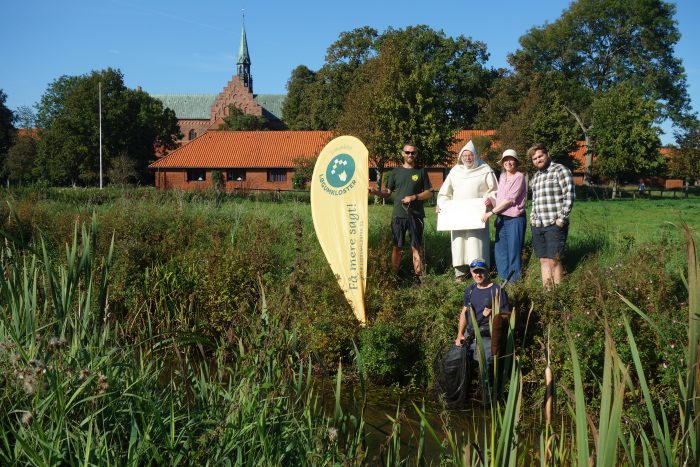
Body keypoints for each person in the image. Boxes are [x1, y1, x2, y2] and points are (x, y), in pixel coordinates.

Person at [369, 143, 432, 285]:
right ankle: (394, 277)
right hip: (398, 215)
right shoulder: (395, 172)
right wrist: (375, 192)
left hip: (415, 215)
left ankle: (418, 278)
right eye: (407, 152)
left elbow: (428, 192)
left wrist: (414, 197)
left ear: (416, 154)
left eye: (413, 153)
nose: (410, 155)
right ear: (402, 153)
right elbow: (387, 193)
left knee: (416, 247)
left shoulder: (421, 171)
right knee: (397, 247)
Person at [437, 140, 498, 282]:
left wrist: (490, 200)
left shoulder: (485, 169)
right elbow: (445, 193)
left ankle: (480, 272)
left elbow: (495, 190)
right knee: (459, 243)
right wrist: (442, 205)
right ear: (461, 157)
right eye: (465, 155)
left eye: (470, 155)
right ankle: (460, 273)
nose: (468, 158)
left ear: (475, 156)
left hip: (477, 215)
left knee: (476, 243)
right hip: (459, 216)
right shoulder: (455, 171)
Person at [528, 143, 575, 288]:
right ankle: (547, 292)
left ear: (547, 154)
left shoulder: (560, 170)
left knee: (554, 260)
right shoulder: (535, 177)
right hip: (538, 225)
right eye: (534, 158)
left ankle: (558, 293)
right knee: (543, 261)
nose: (538, 160)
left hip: (554, 224)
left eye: (540, 156)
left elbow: (569, 195)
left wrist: (562, 219)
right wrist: (532, 218)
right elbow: (535, 200)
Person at [482, 149, 527, 282]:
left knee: (514, 251)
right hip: (502, 218)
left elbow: (509, 200)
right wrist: (491, 203)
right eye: (505, 160)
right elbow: (501, 199)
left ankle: (514, 282)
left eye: (511, 159)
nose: (508, 162)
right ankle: (503, 279)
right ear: (502, 163)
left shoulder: (519, 177)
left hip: (515, 220)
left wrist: (491, 212)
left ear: (516, 162)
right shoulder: (502, 176)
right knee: (500, 251)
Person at [454, 258, 509, 365]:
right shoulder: (469, 290)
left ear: (487, 271)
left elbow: (507, 315)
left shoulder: (498, 290)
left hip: (487, 338)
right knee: (464, 367)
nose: (478, 275)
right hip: (469, 335)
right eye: (475, 271)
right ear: (471, 272)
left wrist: (494, 313)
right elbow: (464, 312)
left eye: (481, 271)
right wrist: (460, 334)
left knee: (485, 371)